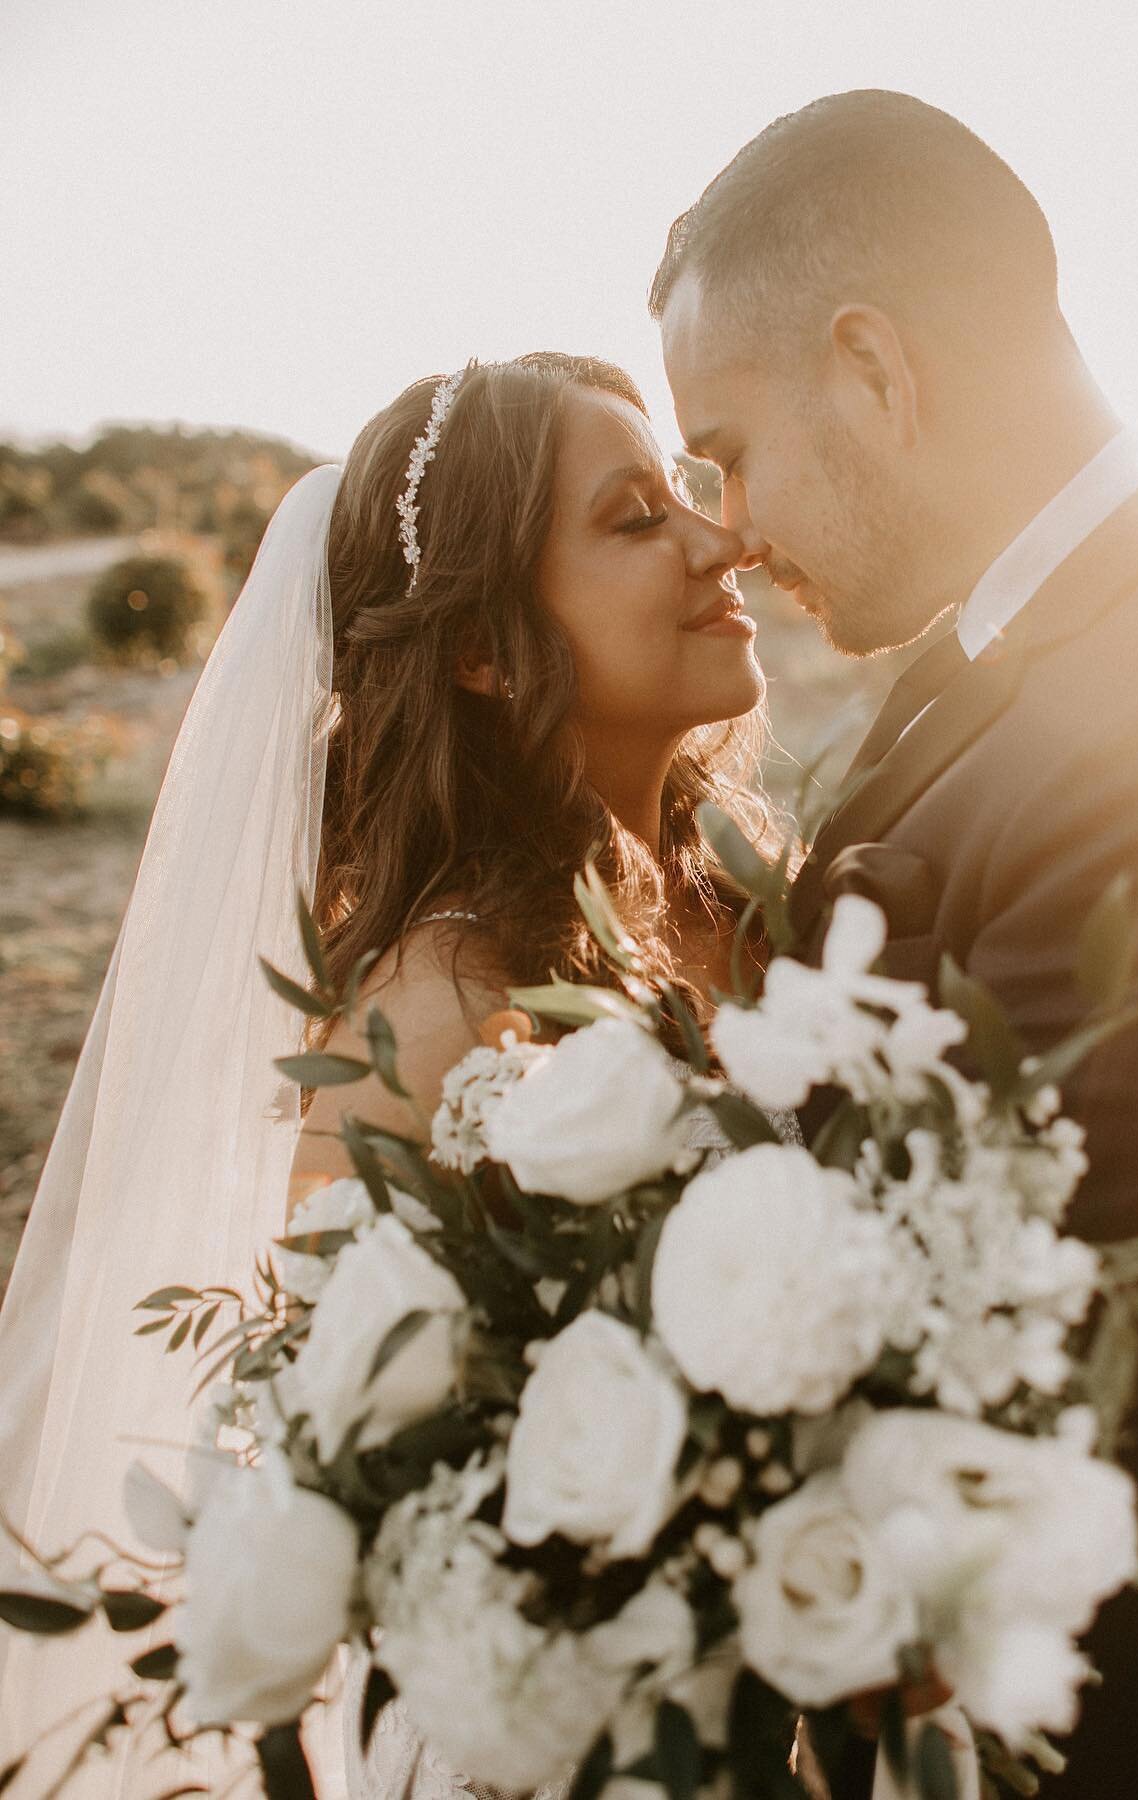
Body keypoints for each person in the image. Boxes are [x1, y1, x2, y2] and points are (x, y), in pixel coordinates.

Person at [653, 88, 1138, 1800]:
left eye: (725, 448)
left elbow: (989, 1294)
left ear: (877, 368)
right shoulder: (1022, 647)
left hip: (1131, 1725)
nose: (723, 523)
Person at [0, 351, 781, 1797]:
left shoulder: (744, 900)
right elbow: (403, 1504)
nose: (718, 535)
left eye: (685, 491)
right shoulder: (439, 1010)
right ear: (482, 646)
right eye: (631, 518)